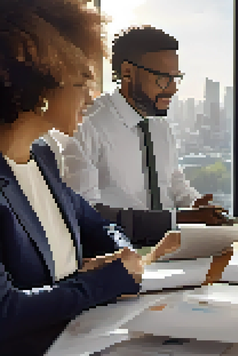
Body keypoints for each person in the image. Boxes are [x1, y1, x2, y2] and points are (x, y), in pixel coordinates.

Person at [0, 1, 179, 354]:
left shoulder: (43, 160)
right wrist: (106, 280)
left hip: (90, 333)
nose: (92, 96)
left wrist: (121, 254)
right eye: (83, 81)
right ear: (40, 85)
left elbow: (97, 225)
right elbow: (6, 313)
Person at [61, 26, 226, 244]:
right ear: (128, 72)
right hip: (118, 253)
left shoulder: (160, 126)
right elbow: (86, 212)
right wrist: (179, 218)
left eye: (176, 78)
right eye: (163, 78)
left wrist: (196, 205)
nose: (173, 89)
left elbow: (174, 182)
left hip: (171, 249)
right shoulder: (87, 124)